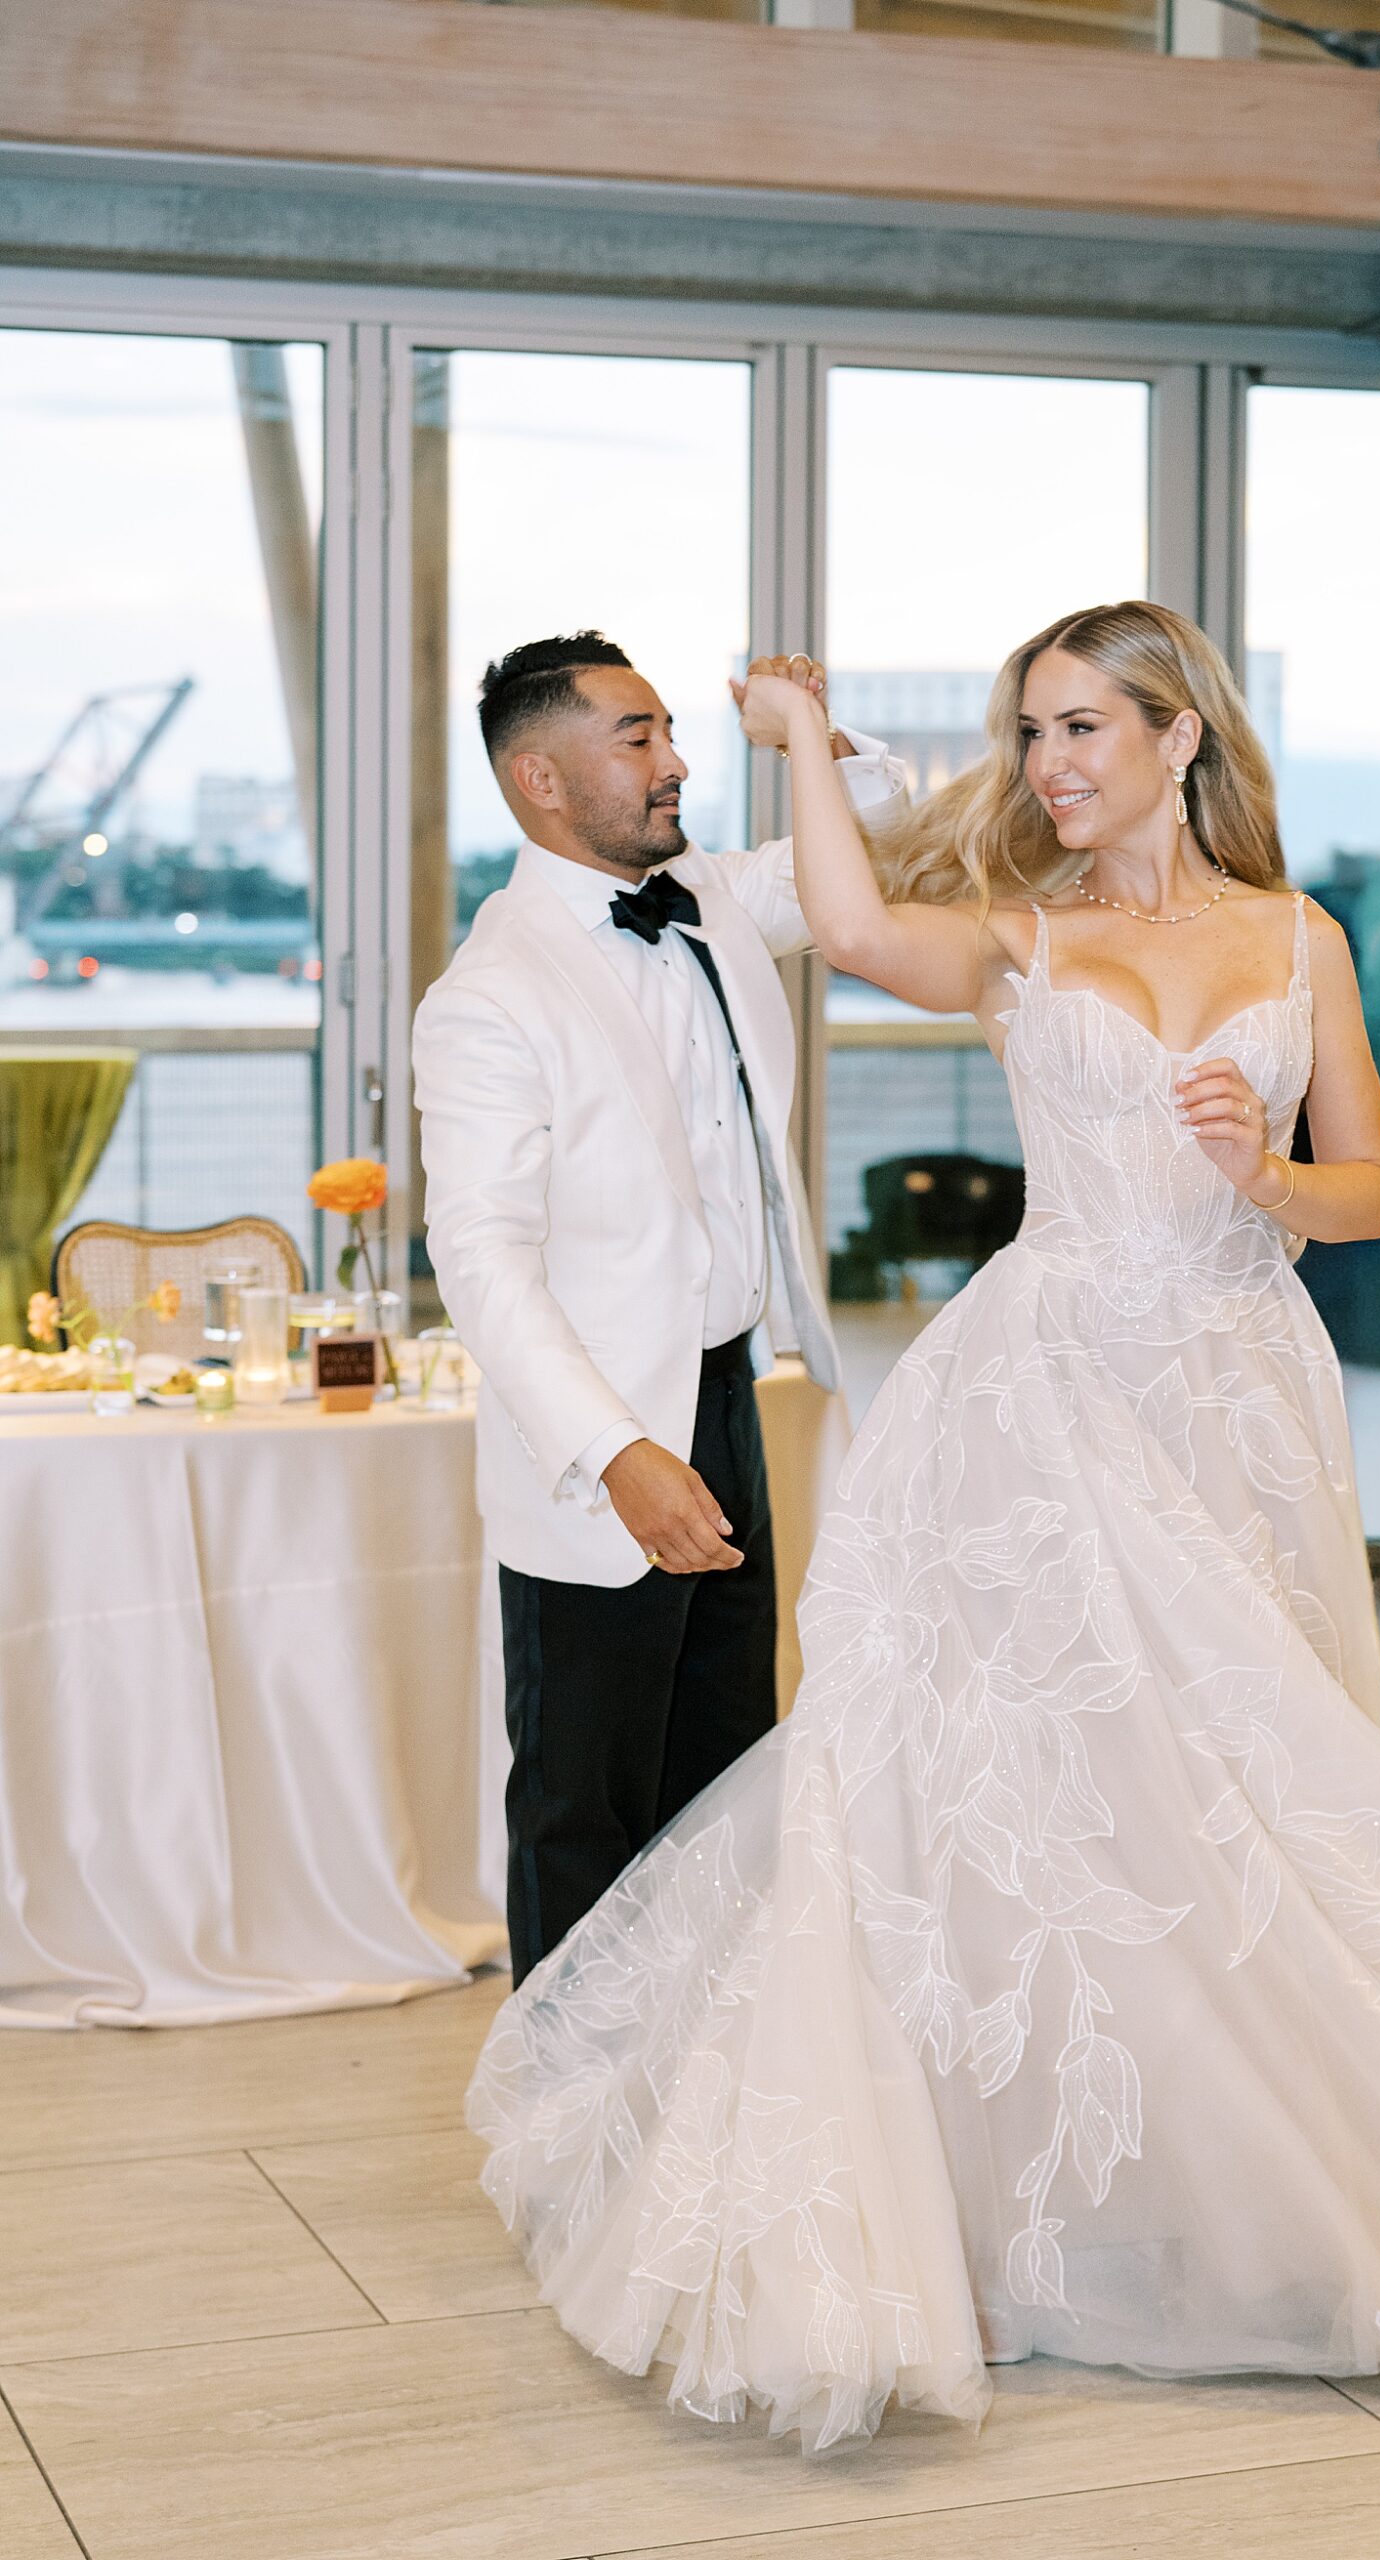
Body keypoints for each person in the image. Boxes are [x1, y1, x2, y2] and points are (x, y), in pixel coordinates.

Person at [467, 603, 1380, 2453]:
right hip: (1041, 1397)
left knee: (1243, 1780)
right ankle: (1024, 2177)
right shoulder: (1020, 935)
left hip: (1237, 1396)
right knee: (1035, 1789)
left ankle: (1246, 2168)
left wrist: (1265, 1177)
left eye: (1083, 726)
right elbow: (854, 923)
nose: (1048, 764)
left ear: (1181, 738)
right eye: (1030, 732)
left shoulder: (1303, 938)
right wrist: (797, 743)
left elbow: (1369, 1187)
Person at [414, 631, 906, 1984]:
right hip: (603, 1443)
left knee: (727, 1782)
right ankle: (569, 2106)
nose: (676, 760)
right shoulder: (490, 995)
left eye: (671, 730)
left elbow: (873, 839)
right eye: (638, 738)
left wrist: (811, 736)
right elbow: (482, 1259)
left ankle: (708, 2084)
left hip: (731, 1396)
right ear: (541, 780)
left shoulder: (711, 898)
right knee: (584, 1804)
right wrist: (619, 1452)